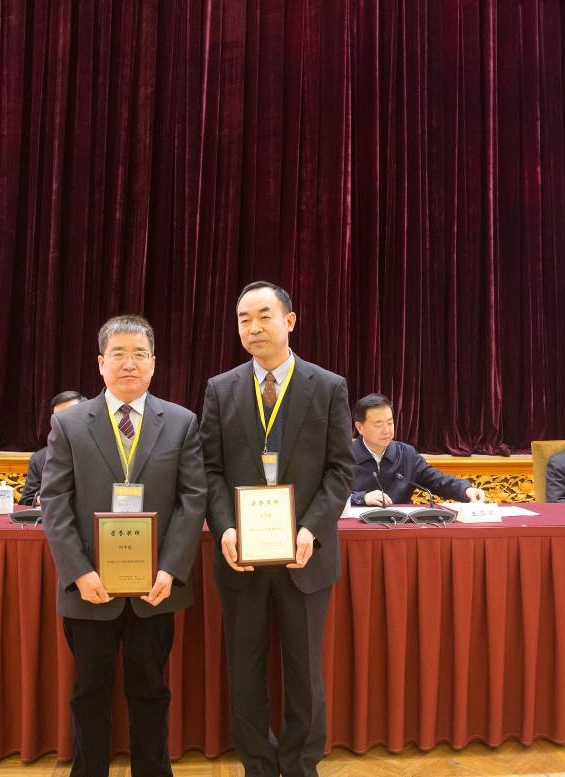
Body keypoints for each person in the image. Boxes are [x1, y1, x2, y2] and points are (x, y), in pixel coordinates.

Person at [40, 315, 206, 777]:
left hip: (155, 586)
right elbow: (54, 501)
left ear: (153, 363)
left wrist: (171, 569)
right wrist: (78, 572)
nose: (129, 363)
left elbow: (193, 499)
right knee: (88, 693)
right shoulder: (70, 424)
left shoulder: (181, 422)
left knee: (151, 691)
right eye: (118, 354)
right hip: (90, 586)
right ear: (100, 363)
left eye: (139, 354)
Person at [200, 281, 354, 777]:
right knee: (245, 670)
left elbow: (340, 470)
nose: (253, 327)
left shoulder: (327, 386)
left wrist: (311, 529)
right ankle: (258, 765)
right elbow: (210, 470)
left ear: (289, 321)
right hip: (240, 555)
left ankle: (301, 764)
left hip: (305, 555)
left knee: (304, 671)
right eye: (244, 319)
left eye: (264, 316)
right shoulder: (221, 389)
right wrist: (224, 527)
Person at [349, 393, 485, 506]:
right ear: (360, 427)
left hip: (399, 525)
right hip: (357, 525)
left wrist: (465, 490)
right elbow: (335, 495)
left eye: (390, 422)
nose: (387, 430)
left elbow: (437, 480)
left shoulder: (406, 454)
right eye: (378, 424)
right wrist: (361, 498)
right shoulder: (344, 456)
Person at [21, 390, 86, 506]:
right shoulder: (39, 458)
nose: (64, 421)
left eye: (70, 415)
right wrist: (43, 498)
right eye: (59, 417)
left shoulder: (101, 450)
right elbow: (27, 499)